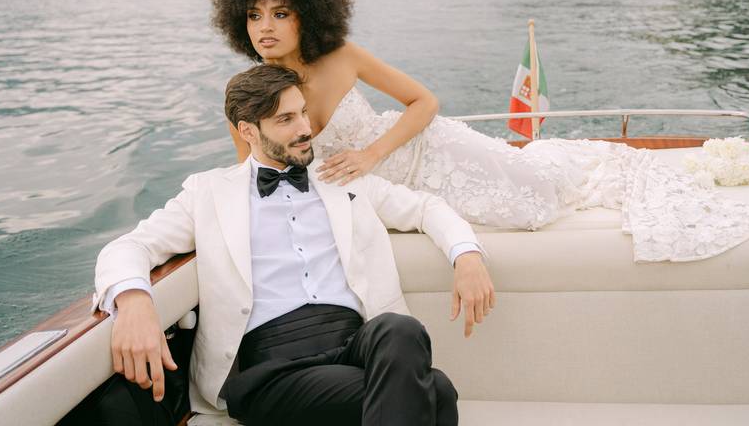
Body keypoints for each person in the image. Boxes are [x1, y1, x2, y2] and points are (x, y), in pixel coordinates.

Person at [211, 0, 749, 263]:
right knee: (529, 204)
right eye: (255, 14)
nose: (265, 26)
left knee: (539, 196)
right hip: (393, 195)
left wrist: (371, 155)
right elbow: (253, 172)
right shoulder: (257, 93)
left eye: (280, 12)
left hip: (429, 153)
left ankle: (600, 164)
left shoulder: (342, 55)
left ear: (306, 10)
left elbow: (424, 102)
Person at [90, 65, 494, 425]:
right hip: (272, 368)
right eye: (286, 119)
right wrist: (135, 300)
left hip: (356, 344)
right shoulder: (208, 193)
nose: (305, 128)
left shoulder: (342, 177)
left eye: (303, 112)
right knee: (436, 393)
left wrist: (467, 256)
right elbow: (130, 247)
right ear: (248, 130)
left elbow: (426, 208)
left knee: (400, 328)